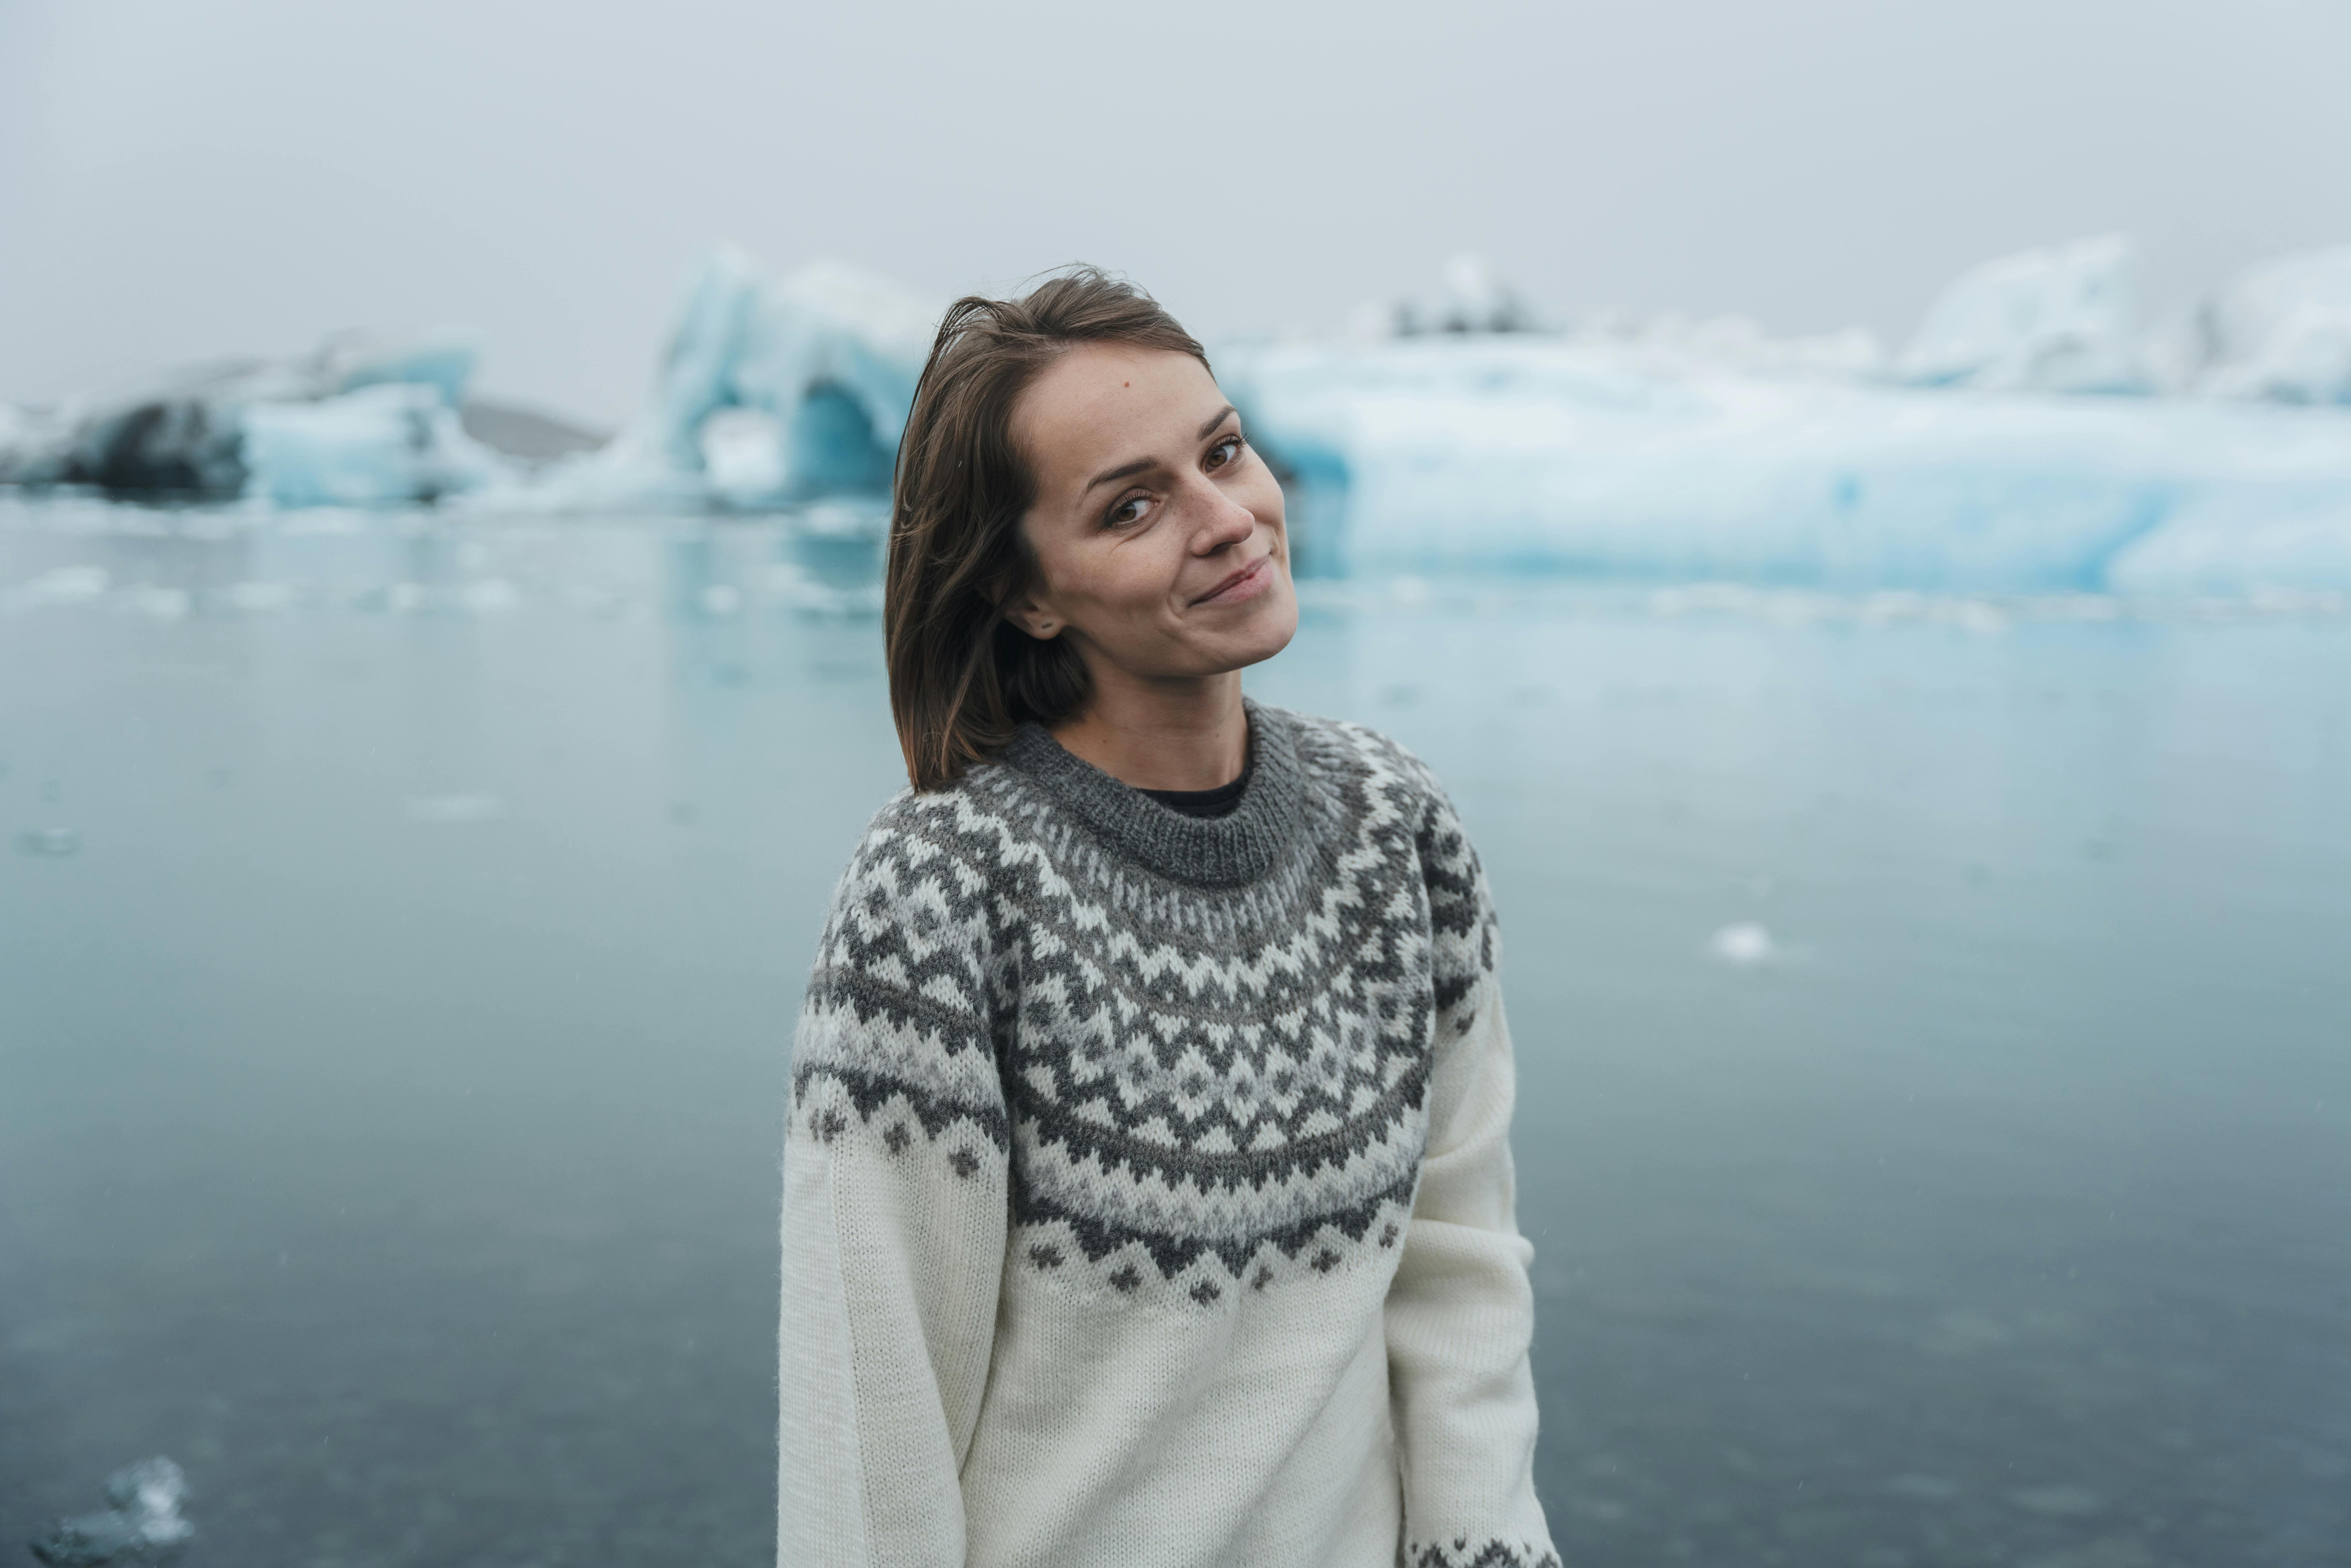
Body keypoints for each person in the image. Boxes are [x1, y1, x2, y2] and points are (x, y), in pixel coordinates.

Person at [779, 268, 1556, 1568]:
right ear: (1030, 593)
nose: (1226, 518)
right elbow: (872, 1408)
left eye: (1223, 452)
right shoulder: (944, 893)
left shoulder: (1394, 826)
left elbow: (1457, 1257)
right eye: (1131, 504)